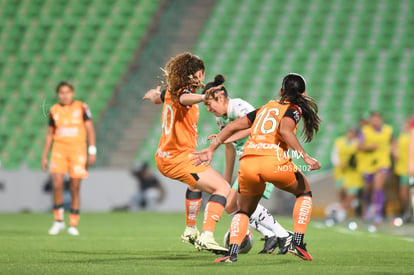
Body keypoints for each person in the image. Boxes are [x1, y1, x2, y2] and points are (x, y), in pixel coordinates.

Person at [193, 73, 321, 262]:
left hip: (248, 162)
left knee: (242, 210)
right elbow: (285, 130)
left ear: (280, 91)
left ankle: (232, 253)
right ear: (303, 93)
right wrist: (305, 156)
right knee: (304, 192)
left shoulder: (266, 107)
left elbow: (233, 126)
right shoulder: (294, 109)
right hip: (273, 161)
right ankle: (297, 242)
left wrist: (213, 147)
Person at [142, 52, 230, 254]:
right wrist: (204, 96)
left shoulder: (170, 92)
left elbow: (159, 98)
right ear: (197, 73)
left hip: (167, 157)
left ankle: (191, 229)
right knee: (222, 188)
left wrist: (152, 95)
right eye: (202, 74)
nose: (202, 78)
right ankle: (207, 236)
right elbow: (184, 99)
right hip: (178, 160)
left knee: (195, 183)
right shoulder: (184, 94)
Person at [201, 74, 292, 254]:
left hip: (263, 155)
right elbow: (229, 148)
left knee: (240, 205)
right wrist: (226, 180)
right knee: (230, 205)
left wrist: (229, 136)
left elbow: (256, 127)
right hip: (248, 160)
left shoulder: (239, 107)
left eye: (208, 104)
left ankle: (281, 234)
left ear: (220, 97)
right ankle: (272, 234)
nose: (208, 109)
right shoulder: (221, 118)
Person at [41, 81, 96, 236]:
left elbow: (90, 130)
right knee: (57, 184)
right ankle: (58, 221)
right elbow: (50, 134)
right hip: (59, 150)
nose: (65, 95)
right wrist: (44, 156)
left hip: (78, 151)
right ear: (58, 95)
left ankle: (73, 223)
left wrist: (92, 150)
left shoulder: (82, 107)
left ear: (73, 93)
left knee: (75, 187)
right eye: (61, 93)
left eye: (68, 92)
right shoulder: (54, 110)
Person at [358, 112, 393, 225]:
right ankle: (367, 208)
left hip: (382, 162)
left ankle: (378, 214)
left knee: (378, 187)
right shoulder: (365, 130)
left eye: (377, 119)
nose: (376, 121)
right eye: (373, 119)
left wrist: (395, 150)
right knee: (368, 189)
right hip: (368, 164)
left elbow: (393, 142)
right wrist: (369, 147)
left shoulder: (388, 130)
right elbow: (359, 146)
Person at [330, 127, 363, 222]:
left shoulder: (358, 144)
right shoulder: (339, 142)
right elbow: (334, 155)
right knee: (341, 193)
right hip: (341, 173)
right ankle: (343, 212)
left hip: (354, 174)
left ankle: (339, 213)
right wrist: (339, 163)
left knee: (351, 195)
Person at [393, 119, 412, 222]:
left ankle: (409, 213)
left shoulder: (410, 136)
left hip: (410, 168)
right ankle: (407, 212)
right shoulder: (402, 136)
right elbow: (396, 152)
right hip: (403, 169)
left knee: (409, 193)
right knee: (404, 193)